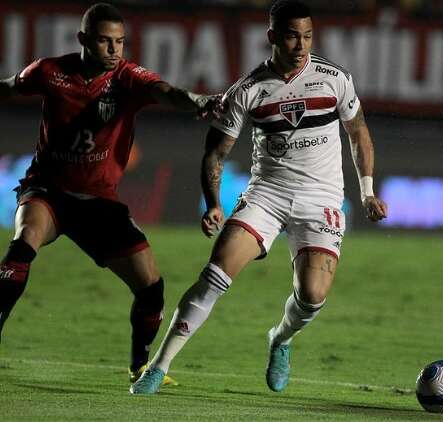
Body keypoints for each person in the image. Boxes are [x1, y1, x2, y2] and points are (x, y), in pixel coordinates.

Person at [130, 0, 387, 395]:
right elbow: (215, 153)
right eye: (290, 36)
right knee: (216, 273)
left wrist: (368, 191)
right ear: (271, 37)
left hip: (321, 199)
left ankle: (280, 339)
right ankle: (159, 367)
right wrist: (213, 203)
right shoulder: (248, 90)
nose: (300, 45)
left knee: (312, 296)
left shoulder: (334, 79)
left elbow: (358, 132)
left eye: (307, 36)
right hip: (267, 194)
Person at [0, 2, 219, 387]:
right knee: (22, 246)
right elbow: (10, 87)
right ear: (83, 39)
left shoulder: (127, 78)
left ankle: (139, 367)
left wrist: (198, 102)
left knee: (151, 288)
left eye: (120, 42)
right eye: (105, 41)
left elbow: (166, 91)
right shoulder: (50, 71)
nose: (114, 50)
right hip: (47, 191)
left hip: (99, 202)